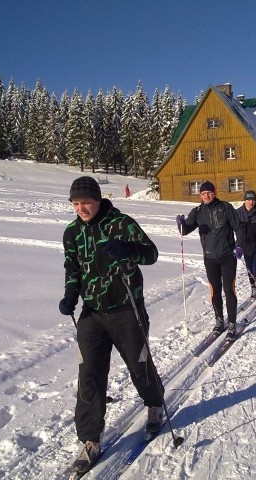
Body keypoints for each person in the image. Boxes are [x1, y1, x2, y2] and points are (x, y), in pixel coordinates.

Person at [59, 176, 165, 474]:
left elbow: (151, 254)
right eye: (76, 204)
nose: (81, 209)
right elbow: (72, 265)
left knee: (139, 364)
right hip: (91, 314)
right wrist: (70, 293)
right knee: (89, 375)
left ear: (98, 200)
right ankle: (90, 440)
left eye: (86, 203)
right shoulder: (71, 232)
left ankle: (154, 403)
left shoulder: (121, 223)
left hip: (126, 310)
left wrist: (126, 250)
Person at [176, 180, 244, 338]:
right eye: (203, 193)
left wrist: (239, 245)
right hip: (210, 258)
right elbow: (185, 230)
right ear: (200, 195)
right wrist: (180, 224)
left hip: (227, 256)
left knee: (229, 290)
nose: (206, 195)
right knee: (214, 291)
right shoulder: (198, 211)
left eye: (209, 192)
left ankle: (232, 323)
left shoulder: (225, 207)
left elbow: (238, 227)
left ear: (214, 193)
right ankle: (219, 320)